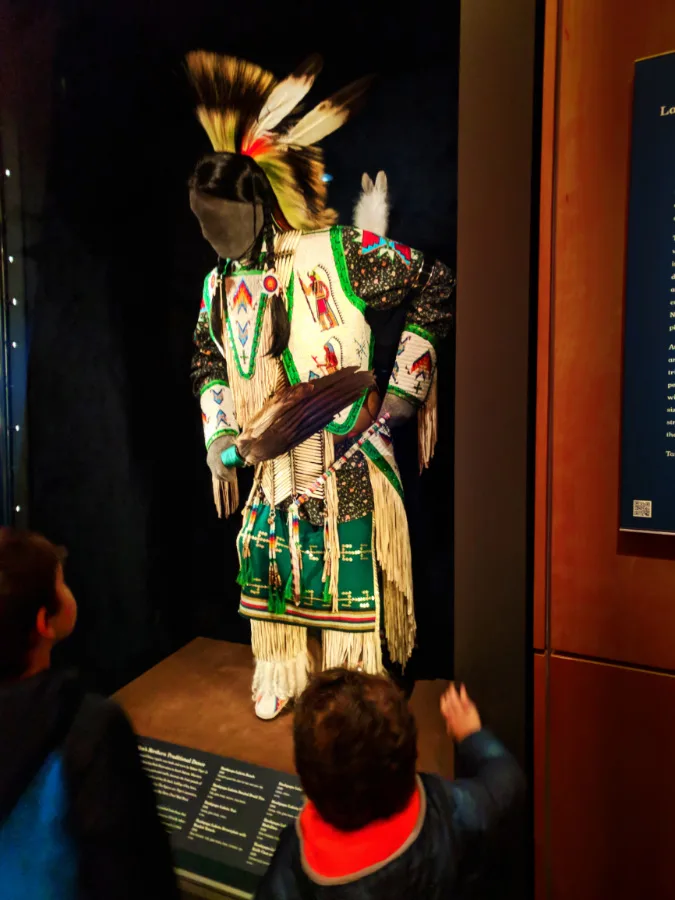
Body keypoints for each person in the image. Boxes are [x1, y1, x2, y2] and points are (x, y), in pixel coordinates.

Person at [187, 50, 456, 719]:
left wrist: (404, 389)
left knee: (344, 558)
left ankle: (349, 682)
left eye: (223, 222)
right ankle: (279, 666)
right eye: (202, 224)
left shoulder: (336, 251)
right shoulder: (218, 283)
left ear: (256, 204)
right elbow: (206, 359)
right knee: (271, 558)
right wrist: (220, 429)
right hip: (266, 453)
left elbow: (433, 283)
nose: (214, 238)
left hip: (348, 445)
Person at [0, 528, 179, 900]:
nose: (68, 589)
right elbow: (137, 874)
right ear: (43, 621)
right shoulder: (90, 729)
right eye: (61, 584)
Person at [255, 669, 526, 899]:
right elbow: (506, 779)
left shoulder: (295, 861)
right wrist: (471, 736)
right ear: (411, 751)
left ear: (306, 779)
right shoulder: (447, 812)